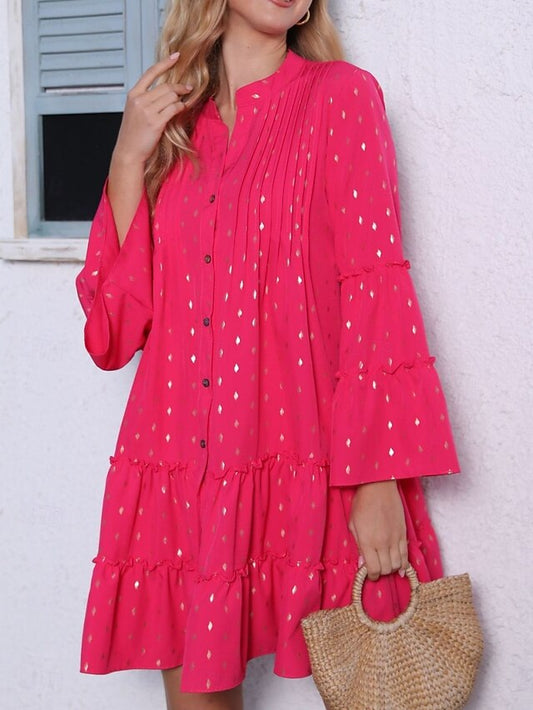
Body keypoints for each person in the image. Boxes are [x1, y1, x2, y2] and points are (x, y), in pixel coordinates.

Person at [75, 1, 460, 708]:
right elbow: (113, 331)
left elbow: (372, 285)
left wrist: (377, 478)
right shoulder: (171, 129)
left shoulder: (340, 97)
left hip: (305, 457)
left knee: (374, 685)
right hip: (178, 471)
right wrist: (128, 155)